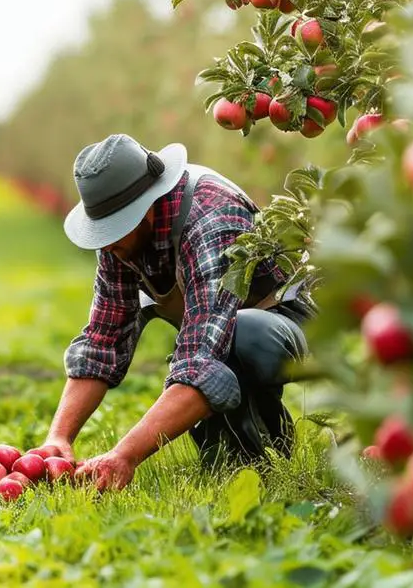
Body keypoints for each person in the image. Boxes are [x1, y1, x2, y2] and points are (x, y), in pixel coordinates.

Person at [40, 134, 314, 491]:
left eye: (117, 228)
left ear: (148, 202)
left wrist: (125, 454)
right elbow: (103, 341)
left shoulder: (212, 218)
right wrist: (58, 438)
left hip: (289, 328)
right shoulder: (119, 241)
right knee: (220, 364)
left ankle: (261, 451)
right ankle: (237, 460)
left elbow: (202, 356)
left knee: (241, 335)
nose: (109, 245)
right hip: (215, 337)